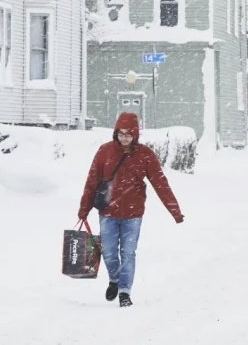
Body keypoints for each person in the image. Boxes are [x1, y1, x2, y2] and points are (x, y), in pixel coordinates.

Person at [78, 112, 184, 307]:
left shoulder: (145, 155)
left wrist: (175, 211)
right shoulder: (105, 151)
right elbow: (91, 181)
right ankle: (115, 280)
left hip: (133, 214)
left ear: (135, 134)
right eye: (121, 133)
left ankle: (125, 291)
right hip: (108, 212)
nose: (124, 137)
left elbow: (161, 184)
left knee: (128, 253)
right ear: (116, 133)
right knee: (109, 251)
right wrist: (84, 208)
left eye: (129, 133)